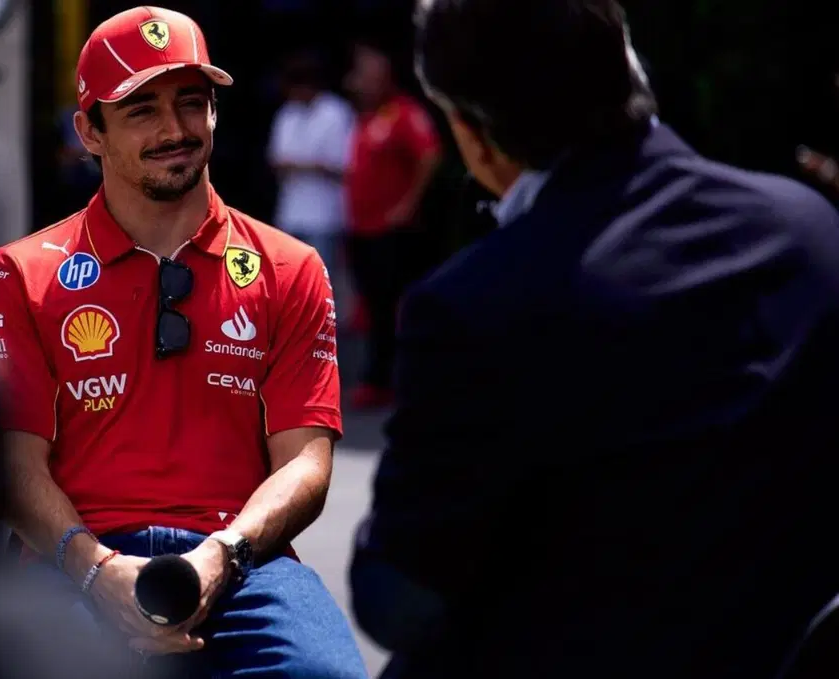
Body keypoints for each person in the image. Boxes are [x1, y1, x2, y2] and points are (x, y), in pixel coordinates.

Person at [351, 2, 839, 679]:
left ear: (471, 134)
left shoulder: (474, 306)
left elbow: (397, 602)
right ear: (630, 71)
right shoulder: (809, 232)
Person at [0, 6, 366, 677]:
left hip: (244, 562)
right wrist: (97, 570)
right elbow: (12, 465)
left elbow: (306, 462)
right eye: (141, 110)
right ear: (89, 132)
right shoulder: (22, 273)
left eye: (191, 102)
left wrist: (221, 555)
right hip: (73, 562)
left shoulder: (291, 267)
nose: (174, 129)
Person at [342, 37, 441, 410]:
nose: (360, 80)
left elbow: (430, 155)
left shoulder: (404, 113)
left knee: (391, 310)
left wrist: (406, 205)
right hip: (362, 230)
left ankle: (387, 381)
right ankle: (381, 377)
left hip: (392, 234)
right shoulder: (364, 117)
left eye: (368, 73)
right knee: (372, 309)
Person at [267, 51, 355, 272]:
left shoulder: (336, 112)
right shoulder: (286, 113)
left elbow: (342, 166)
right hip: (290, 214)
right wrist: (311, 165)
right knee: (288, 278)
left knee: (323, 278)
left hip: (325, 216)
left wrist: (301, 165)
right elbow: (276, 160)